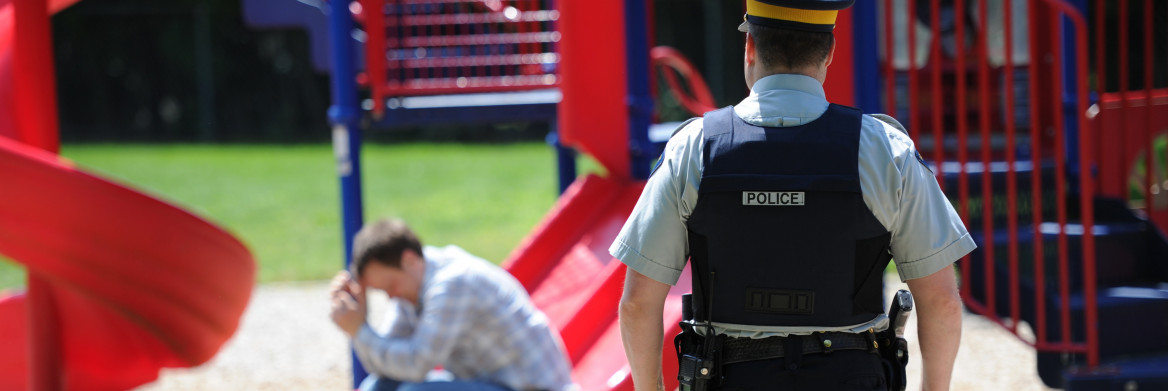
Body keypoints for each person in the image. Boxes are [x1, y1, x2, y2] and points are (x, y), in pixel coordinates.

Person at [612, 1, 976, 390]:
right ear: (830, 51)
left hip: (729, 377)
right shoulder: (887, 151)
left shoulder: (693, 149)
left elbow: (637, 304)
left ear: (750, 47)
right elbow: (940, 300)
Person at [329, 218, 575, 391]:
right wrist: (357, 320)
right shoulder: (411, 284)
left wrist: (359, 331)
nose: (392, 297)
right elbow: (386, 368)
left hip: (532, 387)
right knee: (377, 386)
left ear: (409, 260)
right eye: (384, 292)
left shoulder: (453, 283)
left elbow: (415, 366)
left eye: (391, 286)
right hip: (487, 381)